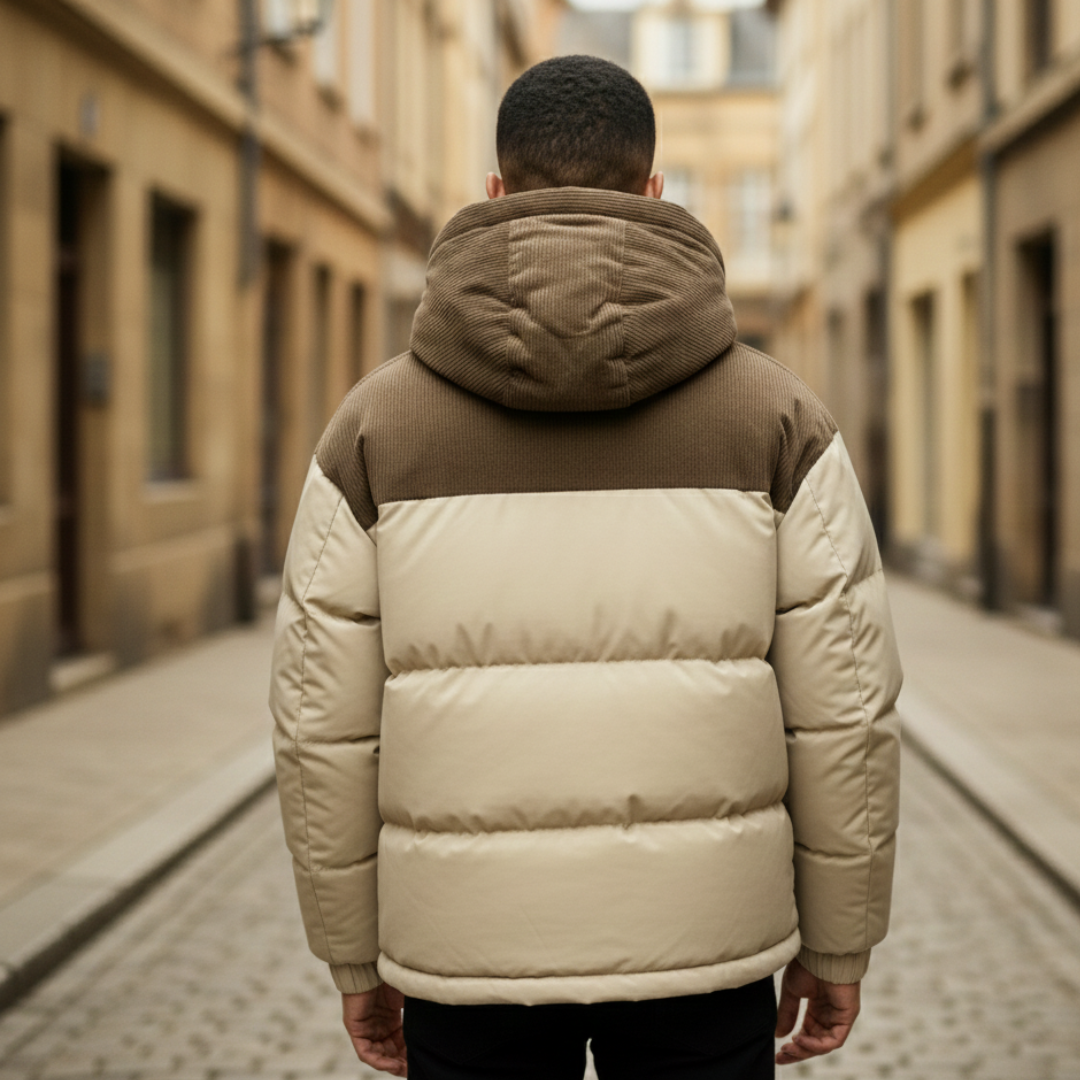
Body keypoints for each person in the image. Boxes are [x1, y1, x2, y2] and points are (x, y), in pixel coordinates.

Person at [269, 55, 901, 1080]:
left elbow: (319, 726)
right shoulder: (781, 421)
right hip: (704, 946)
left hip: (465, 950)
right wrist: (839, 940)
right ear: (655, 193)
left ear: (494, 192)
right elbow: (846, 714)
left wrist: (352, 952)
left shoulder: (373, 428)